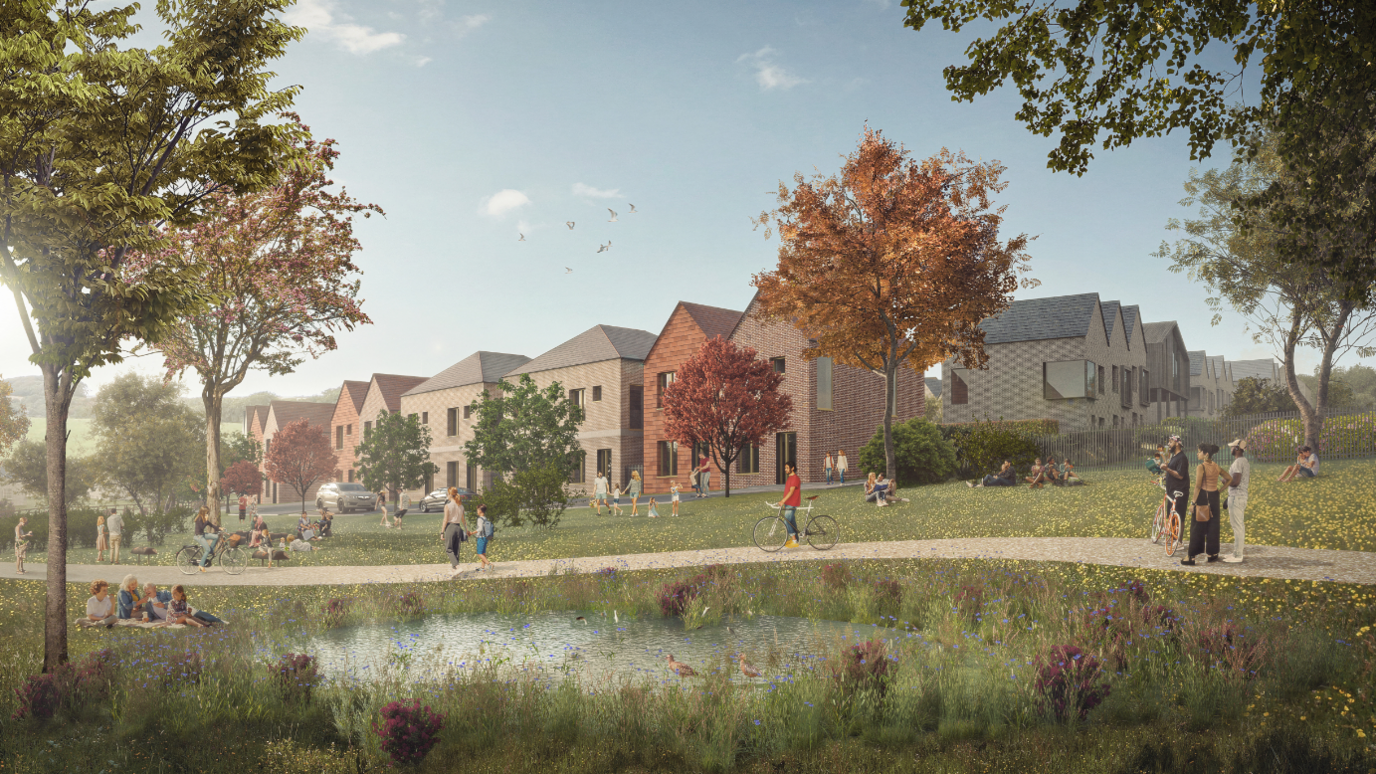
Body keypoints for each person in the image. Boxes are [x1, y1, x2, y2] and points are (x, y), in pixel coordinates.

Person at [1182, 443, 1231, 566]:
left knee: (1197, 526)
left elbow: (1198, 486)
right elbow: (1229, 478)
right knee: (1213, 526)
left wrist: (1193, 503)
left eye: (1199, 451)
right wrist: (1220, 490)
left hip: (1203, 497)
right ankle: (1212, 554)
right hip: (1214, 496)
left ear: (1206, 454)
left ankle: (1191, 556)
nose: (1197, 453)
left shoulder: (1201, 467)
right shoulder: (1216, 466)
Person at [1224, 439, 1251, 563]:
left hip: (1236, 497)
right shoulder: (1244, 461)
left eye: (1232, 447)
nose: (1230, 449)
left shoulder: (1237, 462)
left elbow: (1235, 482)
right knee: (1238, 526)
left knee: (1238, 526)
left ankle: (1238, 555)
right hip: (1240, 496)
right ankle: (1236, 552)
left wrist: (1225, 481)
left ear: (1236, 449)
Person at [1163, 436, 1190, 537]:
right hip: (1172, 491)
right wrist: (1165, 478)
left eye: (1170, 442)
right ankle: (1174, 539)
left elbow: (1180, 475)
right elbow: (1173, 472)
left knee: (1179, 517)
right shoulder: (1174, 457)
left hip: (1180, 491)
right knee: (1172, 515)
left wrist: (1167, 469)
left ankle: (1179, 542)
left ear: (1177, 443)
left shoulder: (1182, 458)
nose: (1168, 444)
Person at [442, 487, 469, 575]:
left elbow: (445, 520)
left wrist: (442, 532)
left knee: (449, 549)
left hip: (450, 527)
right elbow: (463, 520)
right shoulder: (461, 506)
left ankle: (457, 567)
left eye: (447, 494)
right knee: (456, 549)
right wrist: (466, 530)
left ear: (450, 495)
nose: (447, 495)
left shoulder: (448, 506)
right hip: (458, 528)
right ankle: (455, 570)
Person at [776, 462, 803, 547]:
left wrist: (782, 501)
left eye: (787, 468)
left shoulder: (795, 478)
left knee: (786, 521)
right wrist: (784, 502)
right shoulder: (790, 478)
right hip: (788, 503)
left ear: (792, 468)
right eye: (785, 468)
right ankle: (796, 540)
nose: (785, 469)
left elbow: (791, 492)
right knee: (791, 522)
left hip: (792, 503)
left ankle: (794, 540)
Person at [192, 506, 220, 572]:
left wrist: (219, 528)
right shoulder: (199, 518)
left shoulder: (203, 517)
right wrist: (206, 520)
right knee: (207, 549)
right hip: (199, 536)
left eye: (208, 512)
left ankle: (211, 551)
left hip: (202, 535)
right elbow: (202, 528)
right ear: (203, 512)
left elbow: (211, 525)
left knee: (216, 537)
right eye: (207, 512)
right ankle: (201, 565)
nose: (208, 513)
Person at [470, 504, 494, 571]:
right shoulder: (485, 518)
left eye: (477, 510)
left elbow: (480, 529)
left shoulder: (480, 519)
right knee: (483, 553)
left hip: (481, 538)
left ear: (480, 510)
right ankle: (482, 568)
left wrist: (472, 533)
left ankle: (489, 564)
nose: (477, 511)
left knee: (479, 553)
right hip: (486, 537)